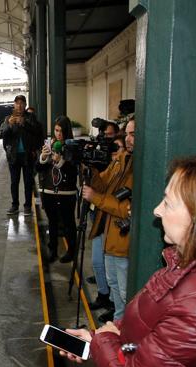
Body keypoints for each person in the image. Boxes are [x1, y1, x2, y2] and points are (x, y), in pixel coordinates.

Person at [62, 157, 196, 367]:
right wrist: (94, 340)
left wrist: (103, 340)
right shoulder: (188, 265)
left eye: (168, 203)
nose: (157, 210)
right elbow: (149, 329)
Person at [82, 117, 135, 322]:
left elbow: (127, 209)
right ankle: (117, 324)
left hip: (123, 241)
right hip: (109, 236)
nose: (129, 139)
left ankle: (121, 329)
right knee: (113, 285)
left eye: (134, 134)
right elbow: (103, 184)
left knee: (124, 291)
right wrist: (92, 166)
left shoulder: (139, 166)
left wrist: (95, 198)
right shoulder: (121, 159)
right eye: (127, 133)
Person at [37, 116, 77, 264]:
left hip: (66, 193)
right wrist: (43, 157)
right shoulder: (50, 143)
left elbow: (73, 171)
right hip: (48, 191)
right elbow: (38, 169)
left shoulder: (72, 146)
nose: (58, 133)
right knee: (52, 223)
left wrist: (60, 161)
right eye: (56, 130)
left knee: (68, 223)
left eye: (61, 130)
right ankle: (52, 250)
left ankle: (71, 251)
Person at [1, 95, 41, 216]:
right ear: (14, 105)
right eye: (17, 103)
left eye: (22, 103)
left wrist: (24, 124)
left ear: (25, 105)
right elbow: (3, 135)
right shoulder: (8, 118)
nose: (19, 105)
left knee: (28, 182)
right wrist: (9, 125)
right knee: (14, 182)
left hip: (27, 155)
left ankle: (28, 206)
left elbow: (37, 132)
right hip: (14, 155)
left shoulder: (31, 117)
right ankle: (15, 205)